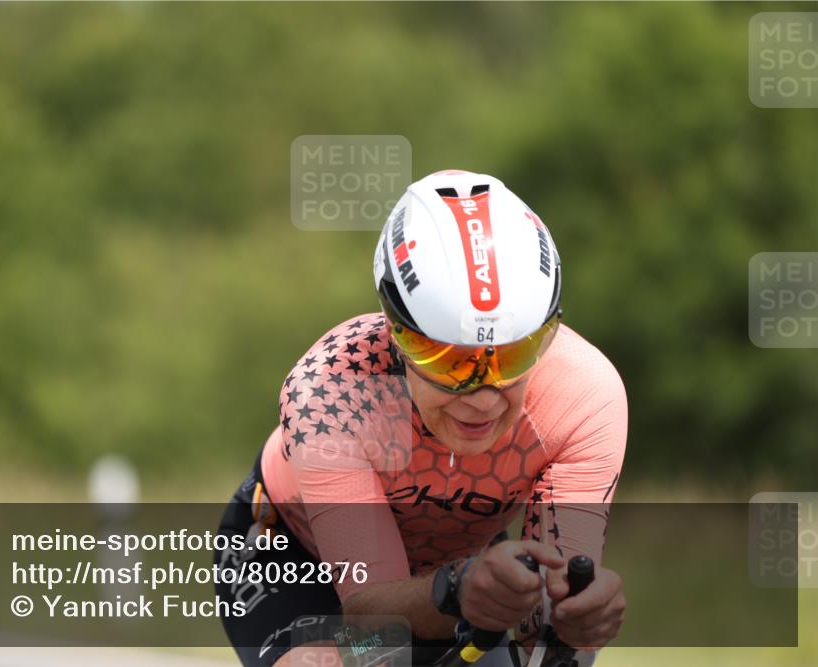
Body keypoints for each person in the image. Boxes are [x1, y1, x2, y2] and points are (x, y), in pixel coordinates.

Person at [215, 170, 627, 667]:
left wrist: (574, 624)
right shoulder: (332, 392)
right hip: (296, 559)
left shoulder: (584, 396)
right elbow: (373, 616)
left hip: (461, 577)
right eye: (448, 360)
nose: (481, 397)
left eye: (513, 356)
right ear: (396, 331)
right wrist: (455, 588)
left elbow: (548, 629)